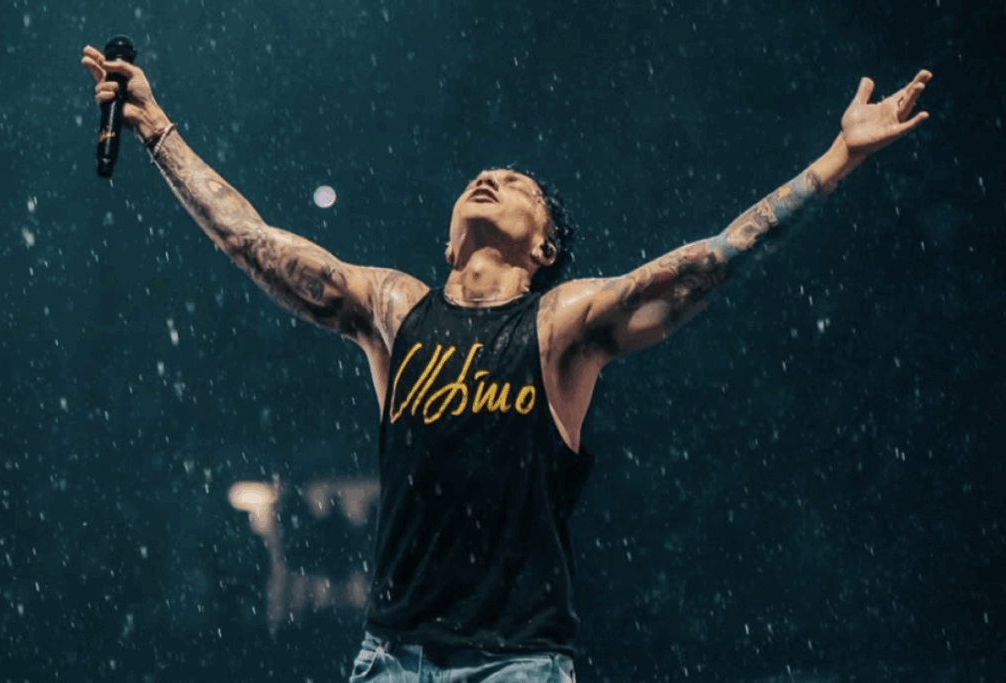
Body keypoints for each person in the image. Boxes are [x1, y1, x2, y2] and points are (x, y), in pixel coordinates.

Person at [81, 44, 931, 682]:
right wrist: (156, 129)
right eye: (481, 178)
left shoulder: (562, 325)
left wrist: (837, 159)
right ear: (450, 239)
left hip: (517, 664)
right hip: (391, 658)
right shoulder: (396, 310)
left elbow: (710, 261)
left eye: (517, 183)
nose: (490, 177)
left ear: (546, 246)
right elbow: (252, 240)